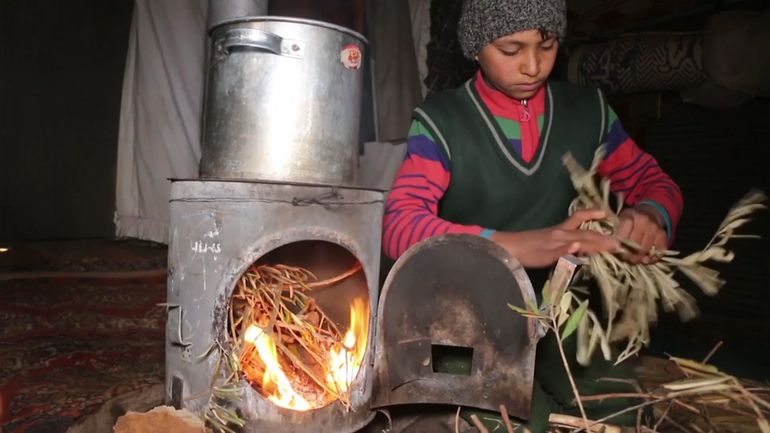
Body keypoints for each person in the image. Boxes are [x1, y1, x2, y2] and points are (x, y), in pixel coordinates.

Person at [381, 0, 683, 430]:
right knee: (515, 423)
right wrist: (515, 246)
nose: (532, 65)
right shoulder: (442, 124)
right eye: (511, 49)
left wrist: (652, 215)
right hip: (466, 318)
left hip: (559, 311)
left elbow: (656, 183)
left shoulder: (588, 114)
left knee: (621, 404)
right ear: (476, 44)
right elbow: (399, 225)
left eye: (547, 45)